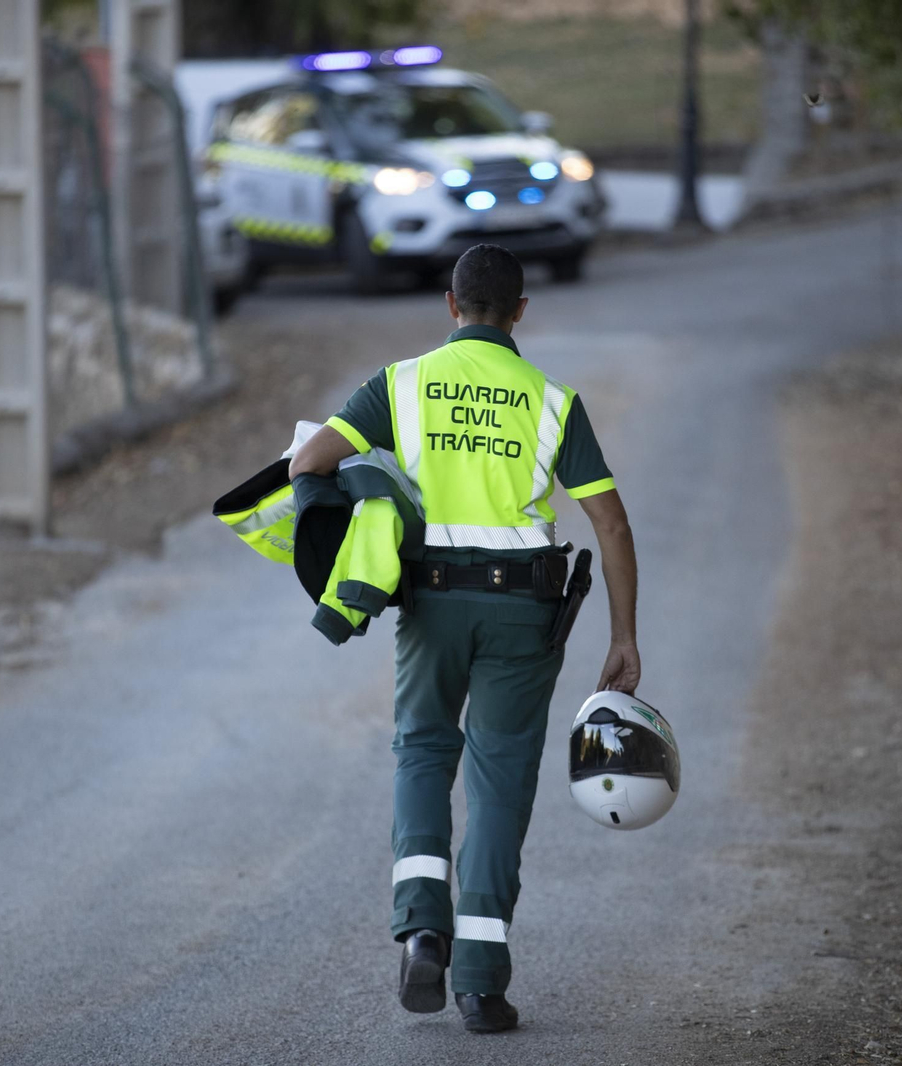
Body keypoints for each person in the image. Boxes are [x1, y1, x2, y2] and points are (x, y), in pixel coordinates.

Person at [289, 243, 640, 1033]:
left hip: (433, 601)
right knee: (501, 781)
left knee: (422, 751)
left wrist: (368, 490)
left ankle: (422, 928)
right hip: (524, 611)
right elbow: (609, 521)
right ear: (520, 313)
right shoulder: (553, 400)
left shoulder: (402, 383)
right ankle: (481, 982)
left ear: (450, 306)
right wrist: (623, 635)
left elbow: (310, 460)